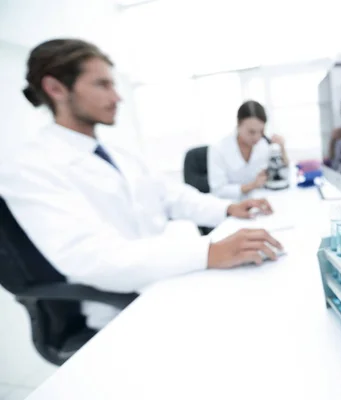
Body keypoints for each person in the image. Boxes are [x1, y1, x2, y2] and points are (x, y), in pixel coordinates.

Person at [0, 39, 283, 330]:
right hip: (116, 307)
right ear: (56, 89)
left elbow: (173, 196)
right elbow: (93, 257)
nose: (117, 97)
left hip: (162, 278)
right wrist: (207, 252)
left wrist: (229, 207)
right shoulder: (30, 166)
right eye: (102, 85)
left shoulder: (118, 153)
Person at [208, 100, 289, 199]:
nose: (257, 137)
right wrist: (252, 185)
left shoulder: (264, 144)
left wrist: (282, 148)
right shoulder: (218, 149)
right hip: (233, 206)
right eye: (251, 132)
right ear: (238, 124)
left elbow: (285, 174)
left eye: (261, 131)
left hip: (261, 201)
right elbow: (218, 191)